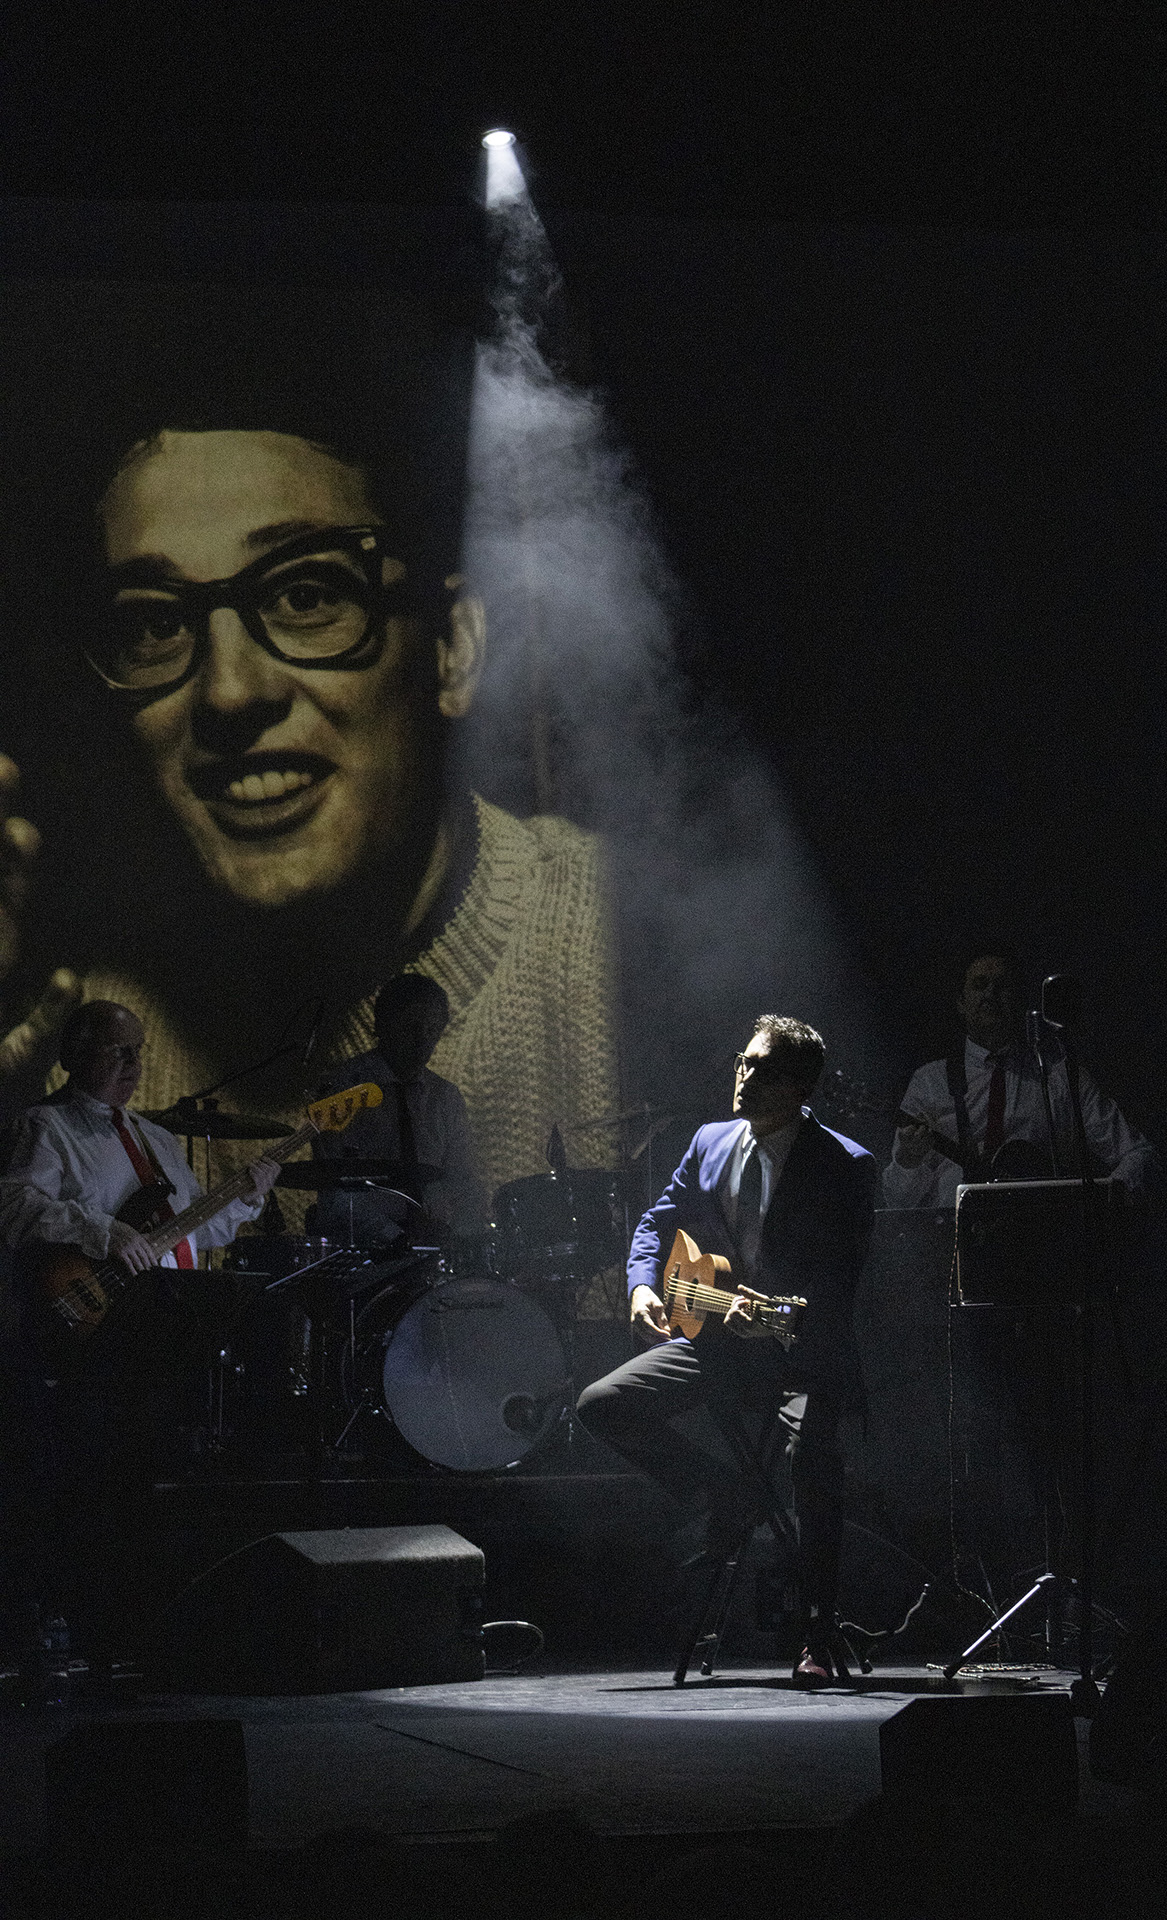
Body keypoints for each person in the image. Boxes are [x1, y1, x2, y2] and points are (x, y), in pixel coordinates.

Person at [0, 329, 618, 1210]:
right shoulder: (99, 1018)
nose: (229, 693)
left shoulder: (614, 943)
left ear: (451, 651)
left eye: (305, 595)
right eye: (155, 623)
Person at [576, 1014, 875, 1687]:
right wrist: (639, 1289)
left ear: (800, 1088)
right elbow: (656, 1223)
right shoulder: (710, 1141)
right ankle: (725, 1494)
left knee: (813, 1459)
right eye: (743, 1062)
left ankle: (817, 1632)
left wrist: (775, 1317)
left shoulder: (844, 1166)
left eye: (762, 1069)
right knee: (603, 1405)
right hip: (718, 1342)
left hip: (801, 1351)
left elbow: (839, 1285)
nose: (743, 1077)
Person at [0, 1000, 280, 1679]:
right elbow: (14, 1203)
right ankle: (73, 1626)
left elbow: (193, 1229)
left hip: (160, 1328)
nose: (134, 1065)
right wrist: (105, 1232)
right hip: (87, 1328)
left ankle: (137, 1630)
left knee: (150, 1474)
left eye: (139, 1050)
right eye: (116, 1050)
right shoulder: (46, 1125)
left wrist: (244, 1197)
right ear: (73, 1055)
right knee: (88, 1476)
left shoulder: (156, 1139)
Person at [882, 953, 1156, 1210]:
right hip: (954, 1245)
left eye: (1002, 986)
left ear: (1019, 1000)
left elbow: (1138, 1154)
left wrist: (1101, 1203)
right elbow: (897, 1200)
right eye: (980, 985)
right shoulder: (930, 1082)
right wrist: (908, 1161)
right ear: (961, 1003)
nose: (990, 994)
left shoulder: (1060, 1077)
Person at [311, 972, 486, 1247]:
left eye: (432, 1031)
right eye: (412, 1027)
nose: (423, 1040)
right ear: (383, 1025)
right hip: (363, 1247)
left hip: (437, 1245)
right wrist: (396, 1237)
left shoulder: (445, 1097)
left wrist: (460, 1235)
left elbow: (465, 1182)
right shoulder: (343, 1088)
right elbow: (336, 1191)